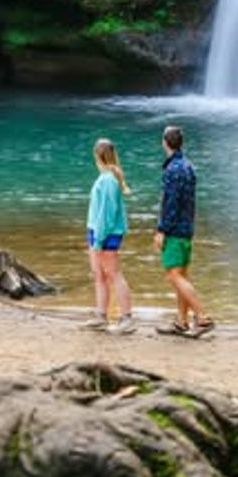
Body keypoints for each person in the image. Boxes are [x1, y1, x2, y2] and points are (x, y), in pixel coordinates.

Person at [154, 124, 215, 336]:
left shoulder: (172, 169)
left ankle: (202, 317)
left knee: (173, 276)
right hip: (187, 229)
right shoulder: (188, 166)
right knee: (182, 276)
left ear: (164, 142)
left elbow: (170, 203)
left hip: (175, 231)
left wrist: (162, 230)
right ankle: (181, 321)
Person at [83, 137, 136, 334]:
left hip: (105, 234)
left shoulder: (108, 180)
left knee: (113, 273)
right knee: (99, 274)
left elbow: (106, 214)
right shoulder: (108, 177)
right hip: (97, 231)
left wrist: (98, 240)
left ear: (97, 156)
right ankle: (101, 316)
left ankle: (127, 317)